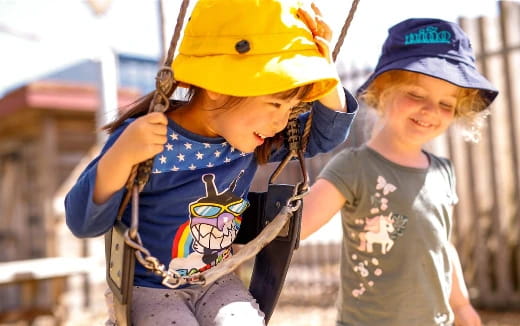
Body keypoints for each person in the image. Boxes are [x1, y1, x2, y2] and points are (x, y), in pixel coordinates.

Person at [65, 0, 358, 325]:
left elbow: (321, 136)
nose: (281, 122)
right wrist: (121, 156)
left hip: (217, 280)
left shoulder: (248, 140)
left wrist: (326, 72)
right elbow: (83, 222)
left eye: (289, 110)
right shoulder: (148, 138)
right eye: (275, 103)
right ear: (218, 88)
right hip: (148, 288)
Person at [301, 18, 498, 326]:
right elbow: (295, 229)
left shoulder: (443, 172)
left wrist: (460, 305)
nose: (431, 111)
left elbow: (441, 245)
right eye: (416, 95)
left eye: (446, 103)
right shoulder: (354, 167)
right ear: (382, 90)